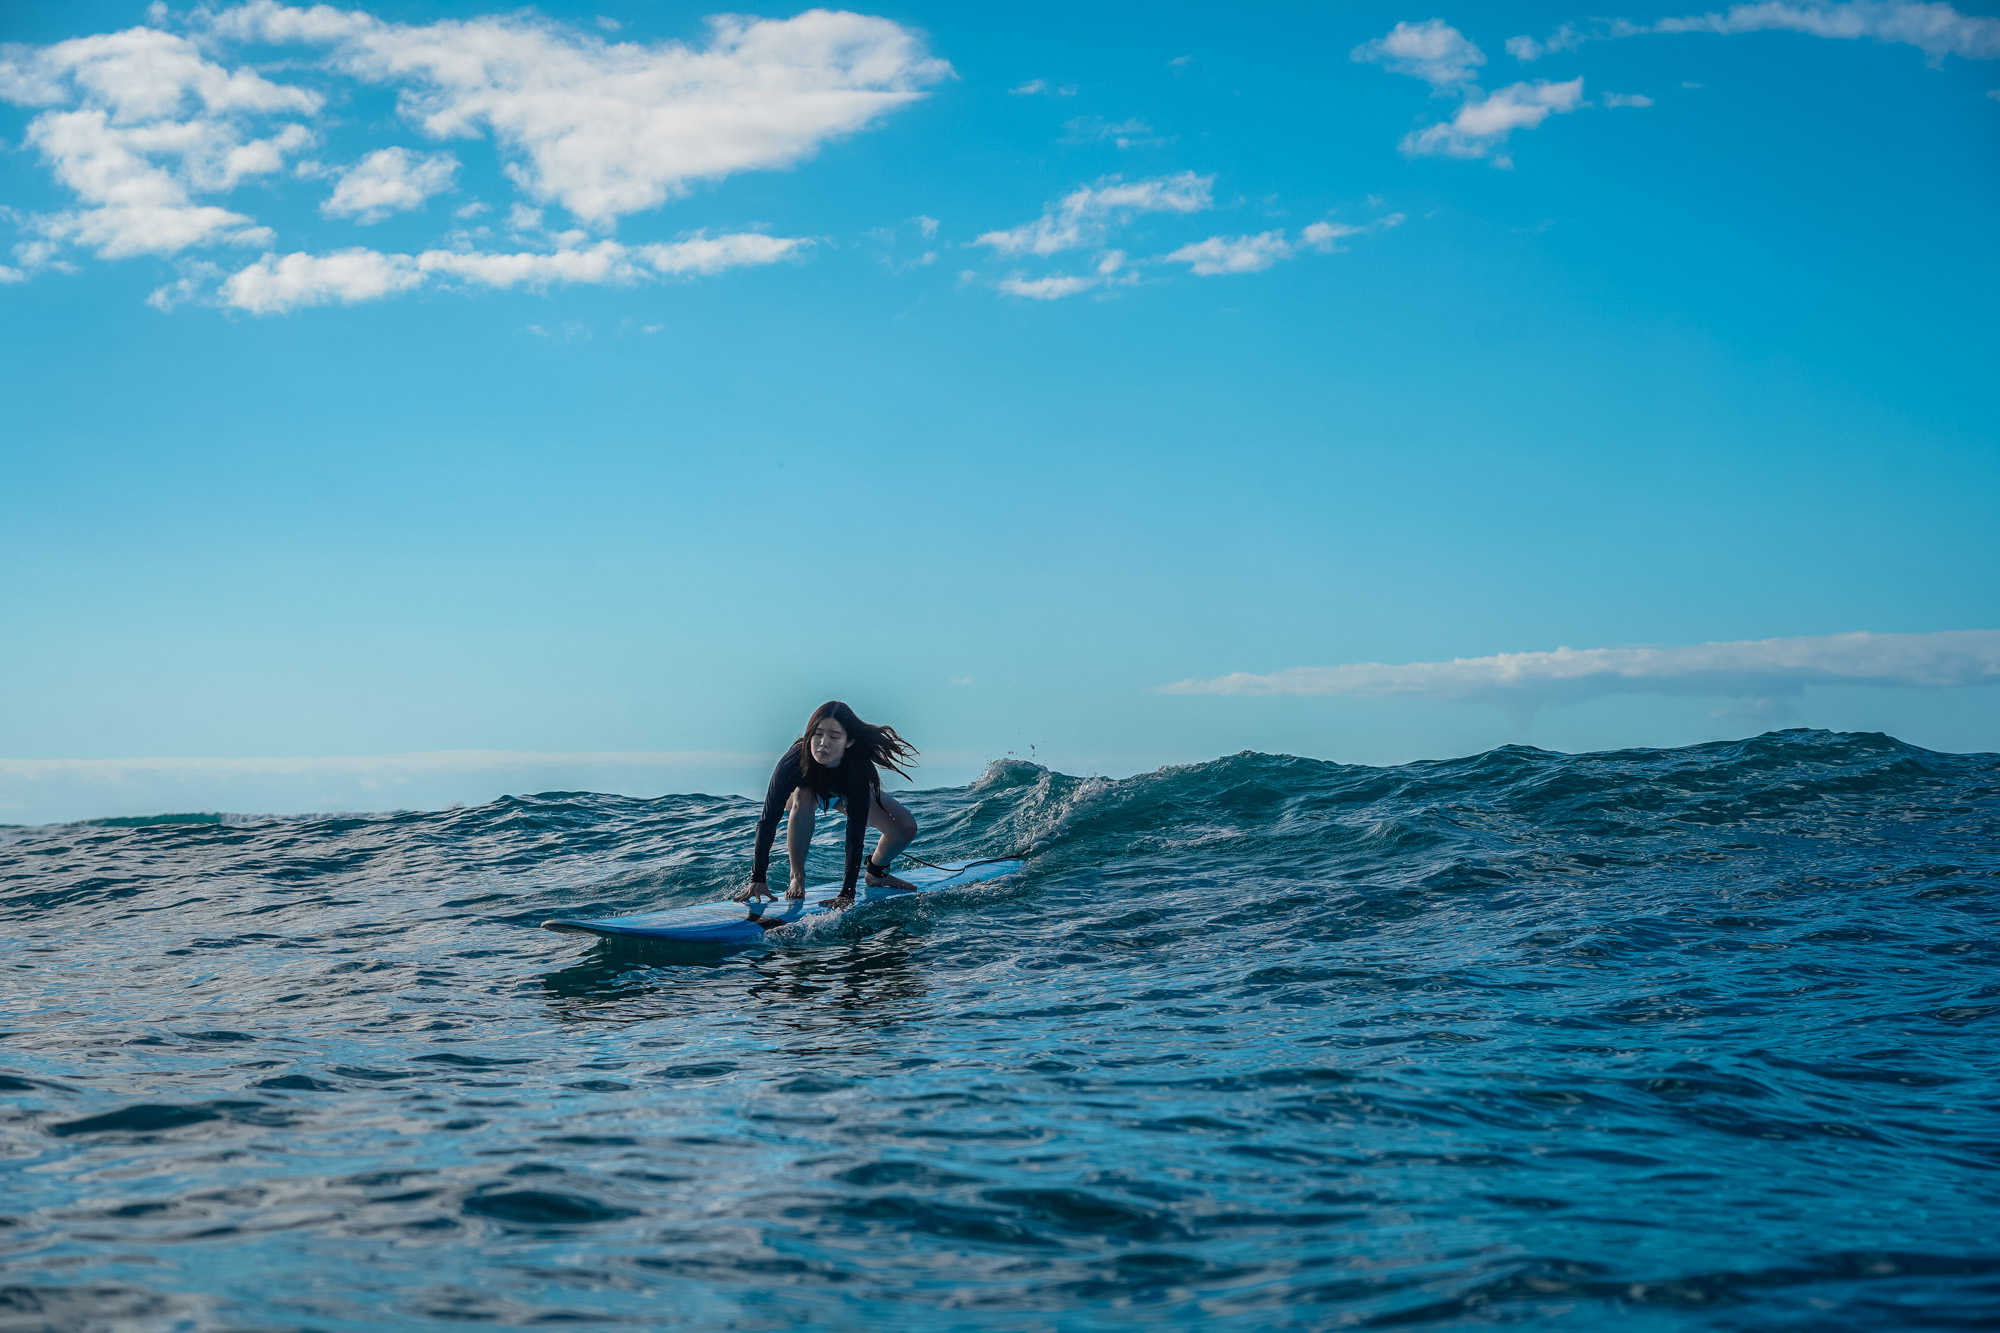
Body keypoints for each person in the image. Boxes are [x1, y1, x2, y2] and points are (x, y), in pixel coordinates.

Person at [735, 701, 921, 912]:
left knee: (905, 827)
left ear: (849, 741)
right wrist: (757, 878)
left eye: (834, 737)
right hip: (802, 796)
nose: (823, 743)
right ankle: (797, 877)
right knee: (803, 795)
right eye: (818, 734)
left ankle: (876, 874)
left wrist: (847, 893)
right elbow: (768, 821)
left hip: (842, 793)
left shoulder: (858, 770)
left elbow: (855, 832)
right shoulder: (792, 763)